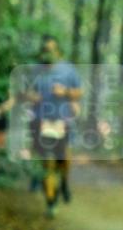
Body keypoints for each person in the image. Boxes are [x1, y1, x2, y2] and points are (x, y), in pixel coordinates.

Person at [22, 35, 82, 217]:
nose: (48, 53)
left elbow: (79, 92)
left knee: (63, 161)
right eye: (45, 50)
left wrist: (64, 92)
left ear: (58, 51)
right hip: (42, 122)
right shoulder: (34, 71)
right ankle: (51, 201)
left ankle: (64, 182)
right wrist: (32, 97)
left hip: (63, 121)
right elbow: (26, 93)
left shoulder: (68, 70)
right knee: (47, 163)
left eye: (51, 49)